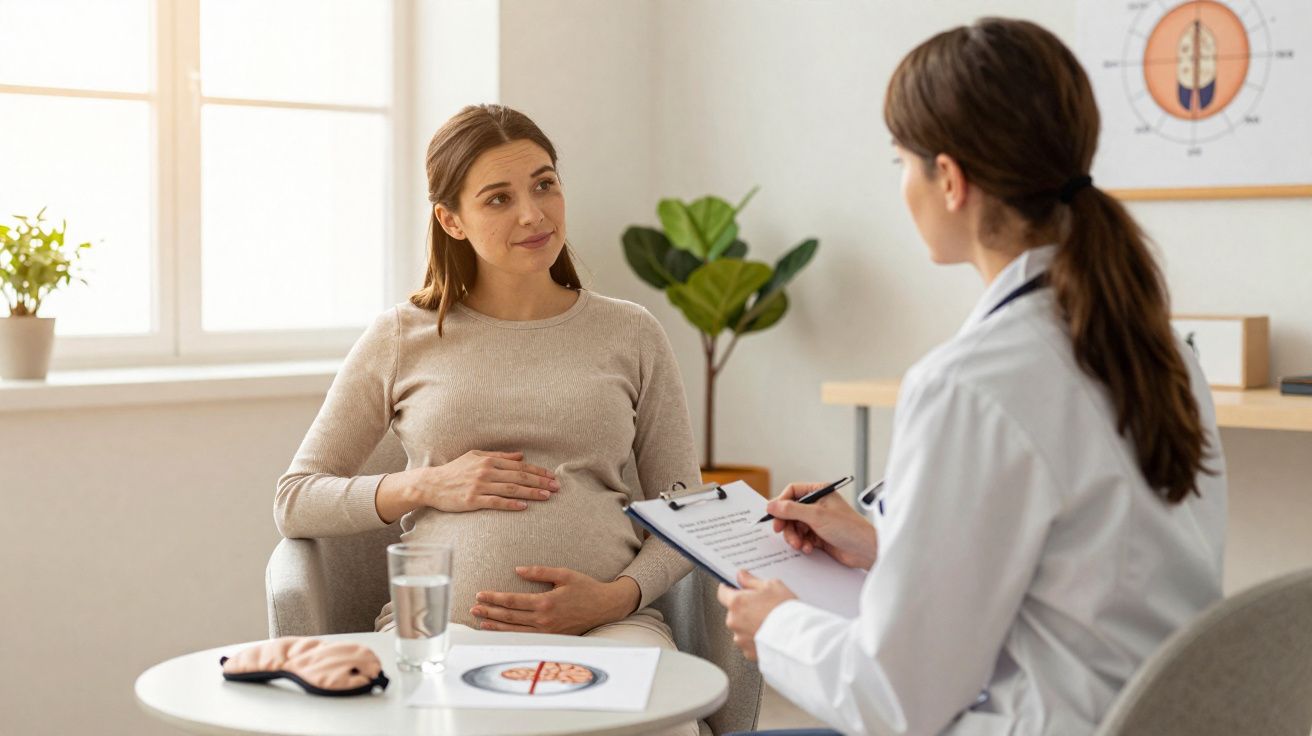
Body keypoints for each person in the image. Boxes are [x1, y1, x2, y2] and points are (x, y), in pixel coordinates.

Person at [717, 18, 1227, 736]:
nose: (903, 185)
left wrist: (777, 626)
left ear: (949, 179)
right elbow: (1078, 567)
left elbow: (896, 701)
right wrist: (880, 543)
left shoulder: (970, 384)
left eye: (902, 162)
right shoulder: (1160, 346)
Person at [276, 104, 701, 734]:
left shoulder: (630, 332)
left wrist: (617, 598)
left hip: (611, 629)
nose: (533, 213)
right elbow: (296, 499)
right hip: (438, 631)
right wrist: (426, 484)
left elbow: (686, 505)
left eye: (545, 184)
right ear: (451, 220)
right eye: (498, 198)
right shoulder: (403, 336)